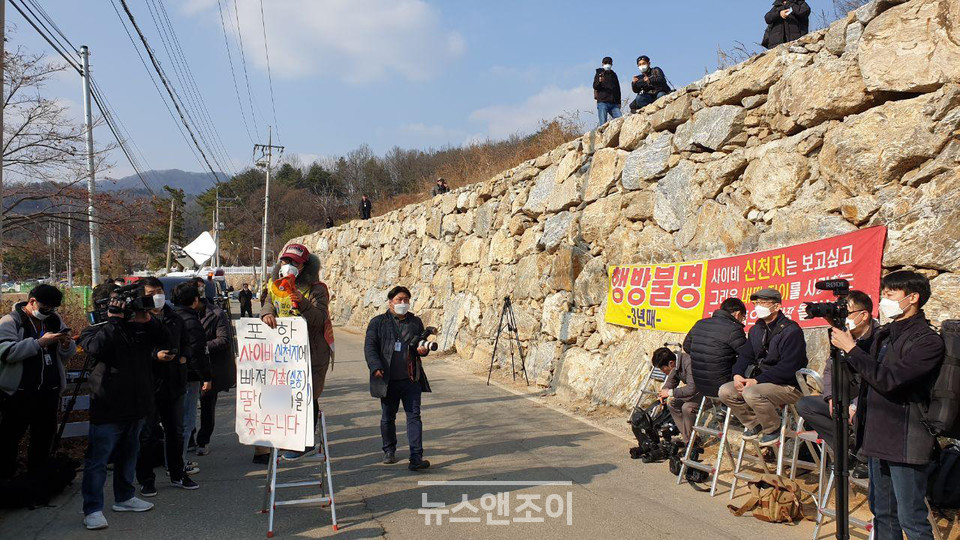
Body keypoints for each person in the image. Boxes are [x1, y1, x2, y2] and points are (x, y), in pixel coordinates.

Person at [832, 271, 944, 540]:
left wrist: (852, 349)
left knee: (911, 519)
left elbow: (891, 380)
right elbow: (862, 371)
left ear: (913, 298)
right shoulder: (885, 334)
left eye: (890, 295)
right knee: (882, 513)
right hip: (877, 435)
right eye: (883, 294)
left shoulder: (927, 341)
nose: (884, 301)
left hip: (906, 439)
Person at [78, 286, 173, 530]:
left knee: (129, 455)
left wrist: (147, 318)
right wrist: (114, 321)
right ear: (104, 304)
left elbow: (166, 339)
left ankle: (125, 497)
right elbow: (96, 348)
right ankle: (92, 509)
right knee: (98, 461)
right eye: (116, 301)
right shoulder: (95, 329)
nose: (122, 306)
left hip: (137, 404)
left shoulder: (138, 328)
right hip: (108, 406)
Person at [260, 243, 334, 462]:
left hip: (312, 351)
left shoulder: (317, 289)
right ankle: (289, 436)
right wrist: (266, 314)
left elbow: (319, 319)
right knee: (286, 394)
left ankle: (306, 442)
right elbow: (268, 303)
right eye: (285, 261)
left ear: (304, 266)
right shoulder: (275, 285)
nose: (288, 265)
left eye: (294, 262)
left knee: (307, 395)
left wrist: (302, 302)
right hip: (284, 351)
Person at [796, 290, 876, 475]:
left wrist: (855, 405)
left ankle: (863, 457)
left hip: (867, 401)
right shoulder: (841, 335)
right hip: (845, 396)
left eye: (846, 313)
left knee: (864, 413)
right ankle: (845, 448)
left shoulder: (878, 338)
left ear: (864, 315)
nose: (842, 318)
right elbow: (830, 368)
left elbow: (874, 378)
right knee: (805, 405)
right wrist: (831, 397)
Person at [0, 285, 76, 480]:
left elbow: (66, 354)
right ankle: (7, 481)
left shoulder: (54, 320)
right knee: (9, 439)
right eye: (46, 307)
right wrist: (39, 343)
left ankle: (38, 481)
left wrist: (66, 345)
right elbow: (7, 353)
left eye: (53, 308)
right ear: (32, 301)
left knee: (44, 438)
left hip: (48, 391)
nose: (49, 311)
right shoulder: (11, 321)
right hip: (19, 392)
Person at [719, 288, 808, 447]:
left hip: (787, 385)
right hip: (761, 382)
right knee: (725, 391)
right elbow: (746, 355)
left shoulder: (792, 331)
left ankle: (773, 428)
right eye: (756, 303)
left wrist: (757, 380)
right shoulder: (756, 329)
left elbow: (789, 367)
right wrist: (737, 374)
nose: (758, 306)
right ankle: (755, 424)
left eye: (763, 303)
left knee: (751, 392)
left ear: (777, 306)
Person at [135, 278, 197, 496]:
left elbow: (187, 343)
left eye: (159, 291)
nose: (157, 296)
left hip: (174, 383)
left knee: (176, 432)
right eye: (151, 293)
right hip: (148, 385)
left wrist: (183, 357)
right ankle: (146, 479)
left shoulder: (174, 317)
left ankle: (178, 473)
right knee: (147, 435)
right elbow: (134, 351)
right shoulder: (137, 319)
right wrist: (155, 355)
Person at [364, 286, 432, 471]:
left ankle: (416, 457)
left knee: (414, 417)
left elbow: (419, 345)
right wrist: (375, 366)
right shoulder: (377, 322)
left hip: (411, 379)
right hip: (388, 380)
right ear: (390, 302)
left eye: (406, 300)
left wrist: (423, 350)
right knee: (388, 417)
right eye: (399, 300)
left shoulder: (415, 322)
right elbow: (370, 347)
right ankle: (389, 450)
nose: (403, 303)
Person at [172, 282, 212, 475]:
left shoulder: (171, 316)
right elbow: (197, 353)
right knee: (186, 421)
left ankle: (174, 462)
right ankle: (178, 464)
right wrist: (206, 377)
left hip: (173, 374)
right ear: (195, 300)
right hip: (189, 376)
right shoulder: (190, 321)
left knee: (175, 422)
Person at [684, 297, 748, 399]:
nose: (742, 321)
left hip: (700, 384)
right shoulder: (734, 329)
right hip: (723, 386)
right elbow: (747, 354)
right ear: (738, 314)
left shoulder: (699, 323)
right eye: (743, 317)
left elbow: (686, 347)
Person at [196, 294, 232, 456]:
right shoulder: (180, 313)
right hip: (187, 368)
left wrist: (202, 347)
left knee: (206, 404)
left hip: (209, 367)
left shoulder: (216, 314)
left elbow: (224, 339)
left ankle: (203, 440)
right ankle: (188, 439)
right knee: (186, 408)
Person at [654, 347, 700, 445]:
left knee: (687, 407)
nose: (662, 371)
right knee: (672, 404)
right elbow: (671, 381)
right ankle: (690, 438)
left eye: (662, 369)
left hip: (706, 392)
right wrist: (663, 393)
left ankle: (690, 442)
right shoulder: (675, 363)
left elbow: (692, 388)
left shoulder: (688, 362)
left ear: (670, 363)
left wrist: (670, 393)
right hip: (696, 393)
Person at [593, 56, 622, 126]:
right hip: (602, 102)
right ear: (602, 64)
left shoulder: (614, 75)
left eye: (609, 63)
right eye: (606, 63)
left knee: (621, 120)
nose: (607, 64)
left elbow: (617, 89)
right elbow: (595, 86)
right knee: (603, 124)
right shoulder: (599, 73)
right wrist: (600, 81)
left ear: (612, 64)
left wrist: (619, 102)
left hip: (613, 103)